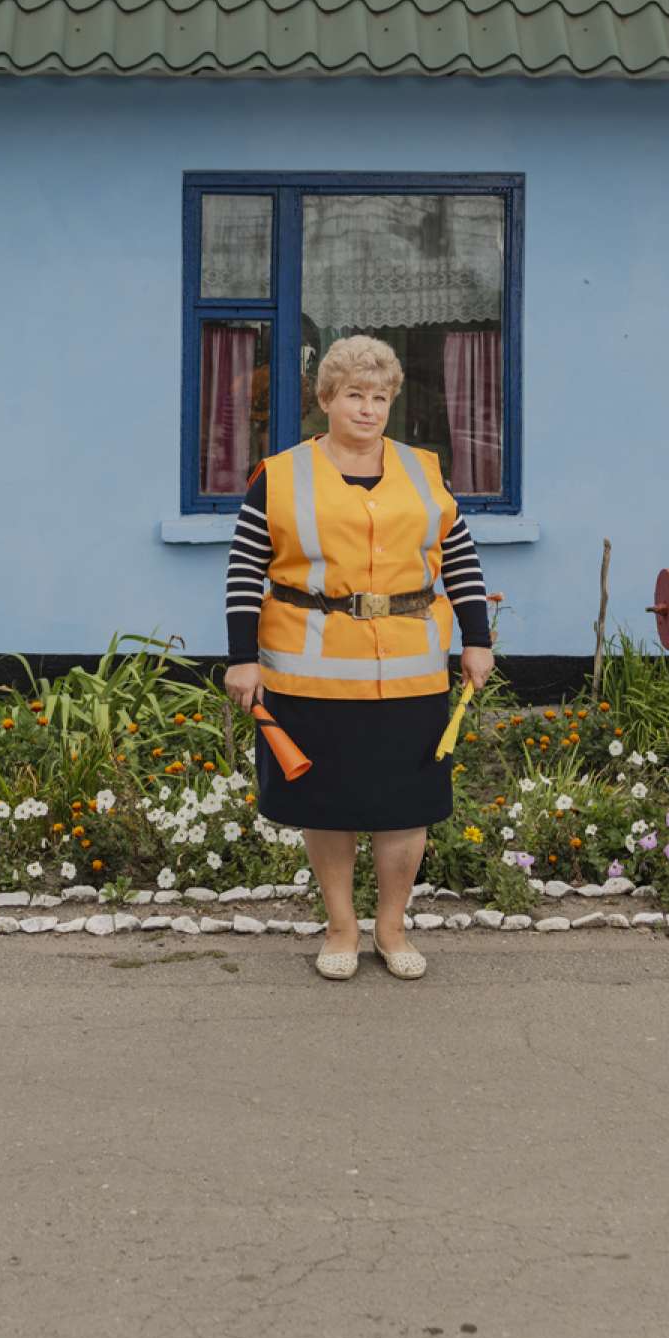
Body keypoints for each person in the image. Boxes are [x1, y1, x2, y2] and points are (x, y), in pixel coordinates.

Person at [223, 334, 495, 982]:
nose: (368, 408)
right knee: (329, 804)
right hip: (310, 676)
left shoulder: (425, 471)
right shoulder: (280, 475)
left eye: (379, 396)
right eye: (354, 395)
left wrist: (478, 639)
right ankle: (341, 925)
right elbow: (244, 569)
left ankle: (392, 925)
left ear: (391, 400)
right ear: (326, 400)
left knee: (408, 805)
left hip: (411, 673)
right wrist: (241, 659)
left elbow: (458, 558)